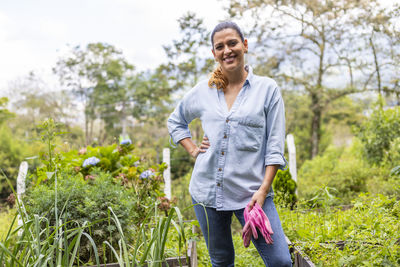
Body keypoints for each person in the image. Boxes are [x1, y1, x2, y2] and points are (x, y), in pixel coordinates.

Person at [167, 21, 292, 267]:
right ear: (214, 53)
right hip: (207, 193)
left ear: (244, 45)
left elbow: (275, 147)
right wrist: (192, 148)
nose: (227, 50)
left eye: (232, 43)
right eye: (220, 46)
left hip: (253, 193)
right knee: (221, 261)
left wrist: (263, 190)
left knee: (280, 261)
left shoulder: (267, 90)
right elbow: (175, 121)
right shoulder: (203, 91)